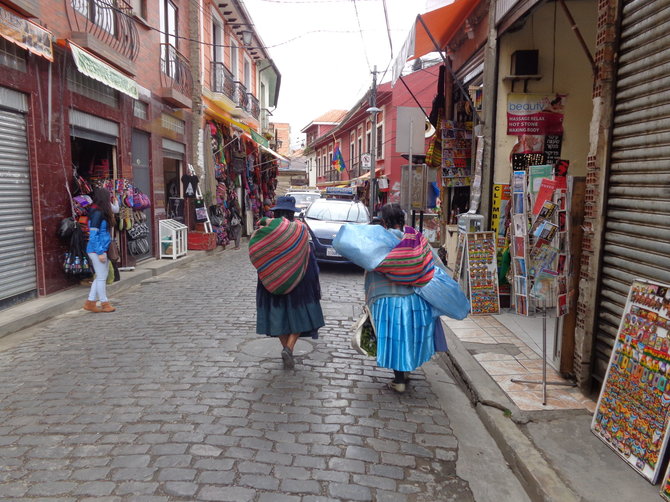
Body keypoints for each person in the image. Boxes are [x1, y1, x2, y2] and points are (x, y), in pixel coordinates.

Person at [365, 203, 436, 392]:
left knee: (394, 336)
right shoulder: (416, 237)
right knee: (408, 335)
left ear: (385, 221)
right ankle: (405, 371)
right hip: (413, 297)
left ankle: (399, 380)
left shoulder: (380, 239)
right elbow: (431, 262)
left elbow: (368, 262)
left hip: (388, 298)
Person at [249, 195, 325, 368]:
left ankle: (286, 348)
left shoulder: (265, 228)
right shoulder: (301, 229)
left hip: (271, 279)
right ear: (292, 213)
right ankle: (289, 348)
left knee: (276, 316)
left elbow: (255, 249)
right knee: (299, 315)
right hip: (300, 279)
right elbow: (310, 253)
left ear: (276, 212)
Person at [83, 187, 116, 313]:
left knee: (101, 276)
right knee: (102, 277)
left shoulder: (98, 210)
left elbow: (116, 209)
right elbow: (93, 235)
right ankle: (104, 303)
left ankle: (90, 302)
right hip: (97, 249)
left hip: (101, 248)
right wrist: (100, 252)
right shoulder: (97, 213)